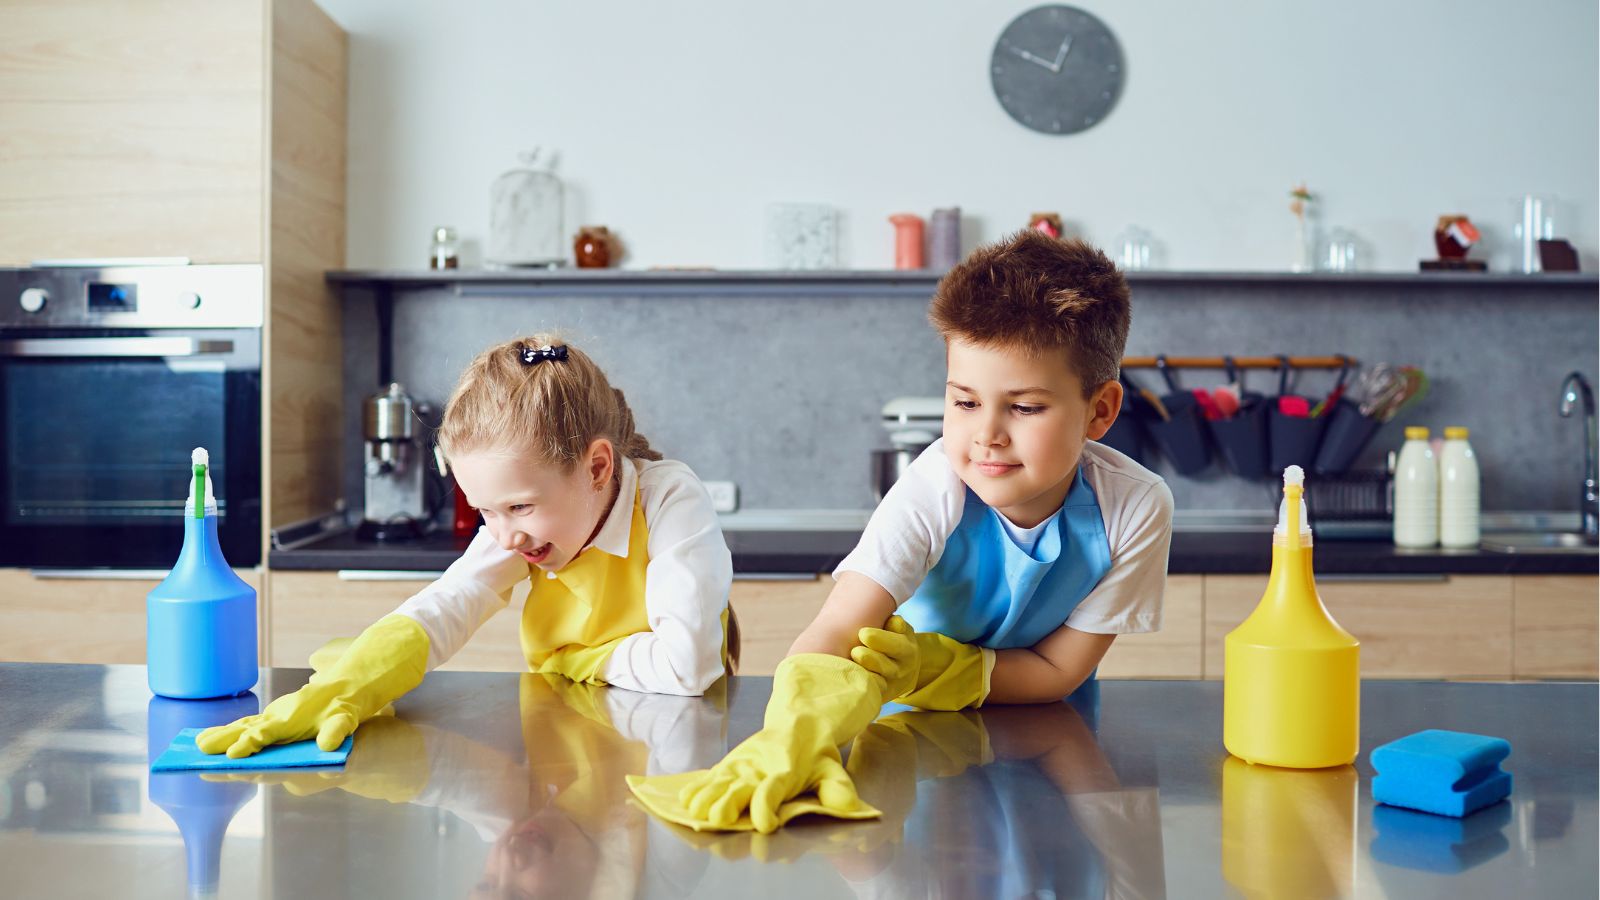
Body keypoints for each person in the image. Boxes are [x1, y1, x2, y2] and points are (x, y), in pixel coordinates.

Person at [629, 230, 1172, 832]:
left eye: (1023, 407)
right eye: (965, 402)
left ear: (1100, 410)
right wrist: (791, 736)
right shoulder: (934, 487)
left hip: (1048, 745)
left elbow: (1058, 673)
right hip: (904, 742)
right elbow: (837, 628)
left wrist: (935, 665)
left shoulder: (1136, 508)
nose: (985, 434)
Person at [199, 335, 735, 759]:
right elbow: (449, 602)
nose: (503, 536)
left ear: (597, 467)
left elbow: (686, 668)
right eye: (485, 511)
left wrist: (576, 659)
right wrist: (355, 681)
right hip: (571, 743)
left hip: (674, 750)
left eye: (520, 507)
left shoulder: (667, 498)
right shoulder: (520, 527)